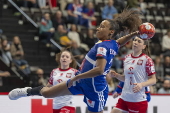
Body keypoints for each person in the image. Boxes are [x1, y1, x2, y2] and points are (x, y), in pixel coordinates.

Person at [8, 9, 142, 113]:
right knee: (48, 93)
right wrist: (135, 33)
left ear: (110, 32)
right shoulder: (112, 43)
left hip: (96, 89)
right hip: (82, 81)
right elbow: (120, 41)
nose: (97, 28)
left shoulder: (103, 46)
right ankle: (26, 91)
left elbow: (100, 70)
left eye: (102, 27)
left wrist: (77, 76)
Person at [13, 50, 77, 113]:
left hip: (68, 104)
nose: (64, 58)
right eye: (63, 56)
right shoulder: (54, 71)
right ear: (60, 59)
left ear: (70, 61)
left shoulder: (74, 72)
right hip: (55, 105)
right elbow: (48, 86)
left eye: (67, 57)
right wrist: (36, 92)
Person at [109, 36, 156, 113]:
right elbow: (126, 78)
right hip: (124, 98)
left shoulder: (147, 59)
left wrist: (141, 85)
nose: (135, 42)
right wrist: (116, 75)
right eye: (135, 40)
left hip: (138, 100)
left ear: (144, 46)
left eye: (139, 41)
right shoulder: (127, 58)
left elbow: (153, 80)